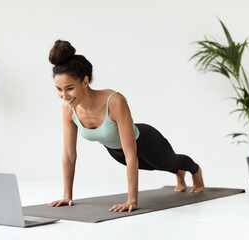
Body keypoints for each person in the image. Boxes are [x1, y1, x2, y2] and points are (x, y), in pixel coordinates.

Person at [47, 40, 204, 213]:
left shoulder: (114, 101)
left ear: (85, 81)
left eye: (69, 88)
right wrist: (66, 196)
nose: (64, 96)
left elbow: (131, 153)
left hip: (146, 142)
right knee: (153, 167)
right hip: (116, 152)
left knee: (170, 162)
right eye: (59, 89)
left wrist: (131, 200)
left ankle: (195, 170)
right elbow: (69, 154)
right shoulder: (68, 109)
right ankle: (178, 173)